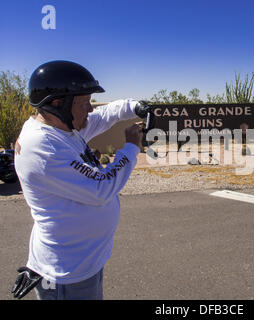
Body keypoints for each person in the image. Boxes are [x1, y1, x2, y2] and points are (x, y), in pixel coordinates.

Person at [11, 60, 151, 300]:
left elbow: (104, 115)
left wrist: (135, 107)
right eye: (85, 103)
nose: (90, 109)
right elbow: (100, 188)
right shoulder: (44, 146)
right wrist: (130, 148)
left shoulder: (62, 128)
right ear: (58, 104)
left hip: (80, 263)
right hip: (67, 274)